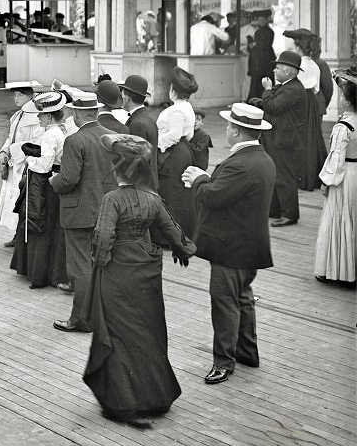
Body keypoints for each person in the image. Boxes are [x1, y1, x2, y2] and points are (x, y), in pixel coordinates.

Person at [83, 134, 196, 427]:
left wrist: (98, 265)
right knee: (148, 332)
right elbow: (173, 232)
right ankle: (154, 395)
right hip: (147, 273)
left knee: (119, 335)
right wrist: (185, 250)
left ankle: (124, 400)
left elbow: (103, 238)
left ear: (118, 168)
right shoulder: (152, 199)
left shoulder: (112, 200)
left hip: (117, 273)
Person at [182, 103, 276, 385]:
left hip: (231, 249)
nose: (226, 130)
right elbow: (233, 194)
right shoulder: (262, 159)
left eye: (228, 127)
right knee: (244, 298)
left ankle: (224, 362)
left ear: (235, 130)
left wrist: (199, 180)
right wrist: (209, 182)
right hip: (251, 246)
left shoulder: (240, 163)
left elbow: (213, 197)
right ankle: (248, 351)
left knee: (225, 303)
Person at [50, 91, 118, 333]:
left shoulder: (75, 141)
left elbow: (68, 180)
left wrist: (54, 181)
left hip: (79, 213)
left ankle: (81, 319)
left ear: (78, 114)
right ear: (96, 112)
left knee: (80, 268)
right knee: (100, 264)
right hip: (107, 210)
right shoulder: (111, 136)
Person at [10, 90, 70, 288]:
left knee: (40, 226)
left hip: (44, 186)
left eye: (41, 114)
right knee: (52, 228)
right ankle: (51, 273)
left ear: (50, 114)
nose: (38, 116)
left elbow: (44, 166)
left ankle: (39, 274)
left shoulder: (50, 134)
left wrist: (27, 157)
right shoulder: (60, 130)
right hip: (54, 184)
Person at [314, 68, 357, 284]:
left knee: (340, 219)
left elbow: (336, 159)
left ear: (348, 101)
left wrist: (327, 182)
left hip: (345, 176)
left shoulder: (344, 126)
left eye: (343, 94)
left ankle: (338, 271)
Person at [256, 49, 307, 226]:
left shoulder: (294, 89)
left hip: (285, 140)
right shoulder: (287, 87)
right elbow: (271, 103)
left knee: (285, 177)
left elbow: (274, 106)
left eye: (277, 68)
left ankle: (290, 214)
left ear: (287, 71)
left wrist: (267, 90)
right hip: (277, 138)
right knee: (275, 174)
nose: (274, 71)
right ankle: (276, 210)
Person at [283, 28, 331, 189]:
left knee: (301, 140)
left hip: (301, 103)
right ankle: (313, 176)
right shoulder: (314, 65)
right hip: (311, 101)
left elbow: (294, 87)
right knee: (313, 140)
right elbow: (317, 88)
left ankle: (303, 177)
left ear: (297, 48)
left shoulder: (300, 65)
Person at [0, 81, 41, 240]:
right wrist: (4, 150)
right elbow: (11, 136)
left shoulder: (36, 118)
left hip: (25, 164)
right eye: (14, 95)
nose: (16, 98)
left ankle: (21, 235)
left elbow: (35, 142)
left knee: (20, 200)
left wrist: (16, 152)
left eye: (20, 95)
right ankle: (16, 234)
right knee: (11, 200)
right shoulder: (18, 114)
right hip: (14, 163)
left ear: (30, 96)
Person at [156, 65, 198, 236]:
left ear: (173, 90)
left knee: (172, 192)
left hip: (173, 152)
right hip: (182, 150)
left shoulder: (177, 110)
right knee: (178, 192)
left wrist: (156, 142)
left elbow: (174, 135)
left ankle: (172, 234)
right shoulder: (186, 107)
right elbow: (188, 134)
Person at [119, 74, 158, 188]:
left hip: (140, 186)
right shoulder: (146, 117)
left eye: (122, 94)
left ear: (127, 98)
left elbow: (136, 161)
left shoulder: (138, 124)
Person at [246, 9, 276, 101]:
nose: (261, 22)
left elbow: (266, 44)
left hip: (265, 60)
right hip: (257, 61)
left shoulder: (269, 31)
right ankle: (255, 100)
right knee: (256, 82)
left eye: (263, 20)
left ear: (266, 20)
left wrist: (255, 44)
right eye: (259, 20)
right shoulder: (258, 31)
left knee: (264, 80)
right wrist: (251, 44)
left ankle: (264, 100)